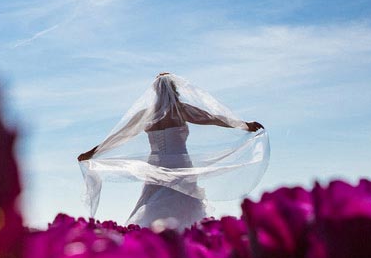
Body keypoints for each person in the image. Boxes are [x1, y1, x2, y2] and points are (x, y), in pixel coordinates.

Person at [76, 73, 267, 229]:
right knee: (184, 201)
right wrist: (243, 125)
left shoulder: (145, 115)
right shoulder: (181, 110)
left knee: (153, 202)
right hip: (181, 164)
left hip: (156, 166)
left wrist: (93, 152)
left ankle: (154, 234)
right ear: (175, 89)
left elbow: (119, 136)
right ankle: (185, 235)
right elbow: (214, 118)